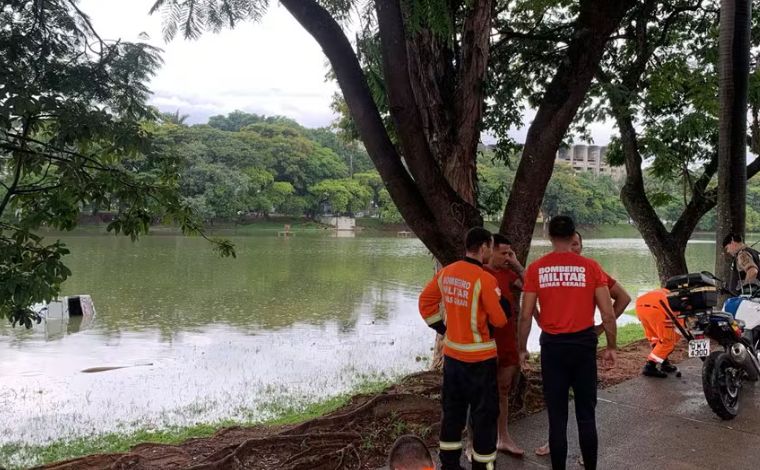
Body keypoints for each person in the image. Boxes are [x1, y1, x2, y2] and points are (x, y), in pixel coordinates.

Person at [518, 216, 617, 470]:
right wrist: (611, 347)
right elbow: (607, 313)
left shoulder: (536, 269)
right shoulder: (591, 267)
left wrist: (521, 348)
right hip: (583, 346)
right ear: (574, 235)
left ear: (549, 236)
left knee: (557, 418)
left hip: (553, 348)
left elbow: (526, 314)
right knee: (586, 416)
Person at [535, 230, 631, 457]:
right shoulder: (548, 270)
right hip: (565, 345)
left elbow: (623, 298)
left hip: (573, 346)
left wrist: (599, 330)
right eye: (570, 243)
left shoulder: (591, 270)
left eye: (577, 244)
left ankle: (580, 454)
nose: (573, 248)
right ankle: (556, 445)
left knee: (581, 412)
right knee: (563, 411)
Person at [419, 227, 508, 470]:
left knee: (452, 414)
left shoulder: (447, 273)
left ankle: (449, 465)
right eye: (490, 247)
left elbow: (425, 302)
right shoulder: (485, 279)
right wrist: (500, 302)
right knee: (484, 417)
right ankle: (483, 466)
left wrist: (442, 329)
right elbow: (500, 320)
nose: (491, 251)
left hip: (453, 359)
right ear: (483, 248)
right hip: (480, 362)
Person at [484, 234, 526, 456]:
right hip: (485, 343)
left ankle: (503, 437)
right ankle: (473, 441)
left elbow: (532, 285)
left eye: (510, 253)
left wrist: (517, 264)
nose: (507, 257)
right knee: (480, 393)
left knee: (503, 389)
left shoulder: (508, 273)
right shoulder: (480, 273)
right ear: (490, 250)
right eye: (504, 253)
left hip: (507, 340)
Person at [636, 287, 680, 378]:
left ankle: (664, 363)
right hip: (657, 309)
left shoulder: (661, 291)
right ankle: (650, 366)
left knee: (654, 336)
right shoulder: (677, 296)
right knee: (667, 341)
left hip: (640, 307)